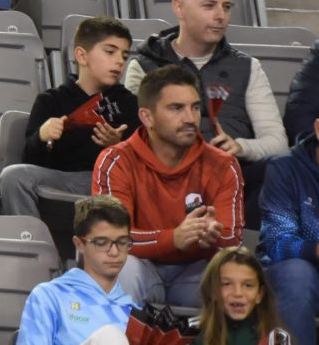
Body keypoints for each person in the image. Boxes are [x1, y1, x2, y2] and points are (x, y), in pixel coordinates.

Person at [123, 0, 289, 211]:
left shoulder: (247, 67)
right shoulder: (145, 64)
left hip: (235, 176)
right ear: (179, 8)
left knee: (282, 167)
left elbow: (277, 142)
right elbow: (134, 137)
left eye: (226, 7)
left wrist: (240, 147)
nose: (221, 16)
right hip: (167, 177)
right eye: (209, 6)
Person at [94, 63, 244, 307]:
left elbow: (231, 240)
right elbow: (112, 238)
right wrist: (172, 238)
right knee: (119, 266)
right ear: (147, 117)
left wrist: (213, 237)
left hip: (195, 274)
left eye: (195, 108)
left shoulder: (224, 165)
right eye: (176, 108)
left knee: (233, 274)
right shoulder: (115, 161)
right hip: (139, 267)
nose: (190, 118)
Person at [0, 16, 137, 221]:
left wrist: (118, 146)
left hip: (109, 183)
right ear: (82, 56)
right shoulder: (51, 100)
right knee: (13, 176)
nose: (119, 61)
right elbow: (30, 160)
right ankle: (32, 244)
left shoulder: (129, 103)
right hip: (61, 180)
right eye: (110, 52)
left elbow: (143, 164)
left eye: (124, 56)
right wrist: (42, 137)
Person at [13, 195, 139, 345]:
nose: (114, 252)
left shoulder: (136, 313)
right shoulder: (49, 296)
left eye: (122, 242)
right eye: (102, 243)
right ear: (79, 244)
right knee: (111, 338)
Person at [261, 115, 319, 345]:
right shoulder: (285, 168)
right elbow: (278, 243)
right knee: (298, 274)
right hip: (292, 273)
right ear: (318, 128)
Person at [189, 248, 292, 345]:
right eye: (226, 284)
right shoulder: (190, 334)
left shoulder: (277, 340)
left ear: (260, 294)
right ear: (212, 291)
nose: (238, 293)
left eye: (248, 285)